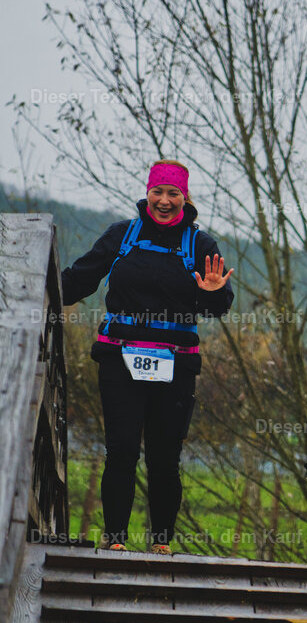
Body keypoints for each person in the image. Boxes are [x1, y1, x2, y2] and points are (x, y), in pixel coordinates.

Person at [62, 160, 233, 554]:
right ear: (148, 193)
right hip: (120, 358)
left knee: (164, 457)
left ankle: (160, 543)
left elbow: (218, 306)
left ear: (185, 199)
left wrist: (209, 291)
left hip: (176, 363)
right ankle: (116, 539)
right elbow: (79, 279)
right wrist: (37, 290)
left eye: (174, 194)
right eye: (158, 191)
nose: (164, 201)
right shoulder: (122, 235)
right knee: (121, 449)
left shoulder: (201, 245)